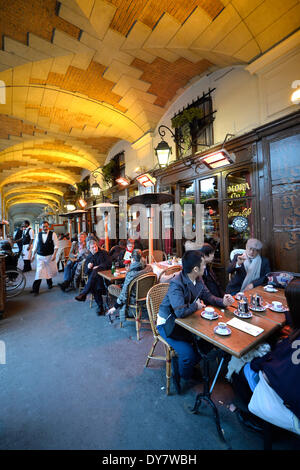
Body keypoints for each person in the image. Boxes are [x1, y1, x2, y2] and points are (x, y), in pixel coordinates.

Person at [156, 250, 235, 390]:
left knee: (210, 342)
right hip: (168, 325)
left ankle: (187, 366)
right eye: (203, 265)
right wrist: (196, 306)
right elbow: (180, 312)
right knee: (188, 354)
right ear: (195, 269)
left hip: (187, 321)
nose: (205, 267)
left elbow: (208, 296)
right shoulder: (176, 284)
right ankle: (184, 374)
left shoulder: (198, 278)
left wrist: (223, 301)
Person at [230, 279, 300, 432]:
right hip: (288, 382)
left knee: (239, 370)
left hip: (290, 406)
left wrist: (257, 363)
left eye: (289, 304)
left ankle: (260, 421)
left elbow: (277, 374)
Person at [106, 249, 153, 323]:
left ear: (133, 259)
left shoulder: (131, 274)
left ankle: (115, 310)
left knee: (111, 287)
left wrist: (115, 307)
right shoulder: (149, 268)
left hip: (133, 299)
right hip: (146, 296)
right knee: (122, 287)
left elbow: (124, 294)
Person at [75, 239, 112, 315]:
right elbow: (85, 272)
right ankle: (100, 306)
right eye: (92, 247)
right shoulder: (89, 257)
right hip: (96, 281)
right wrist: (88, 267)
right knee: (95, 283)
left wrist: (99, 267)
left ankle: (84, 294)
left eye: (95, 246)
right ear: (89, 249)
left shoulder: (104, 253)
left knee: (95, 271)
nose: (95, 248)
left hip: (105, 278)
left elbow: (109, 264)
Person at [31, 221, 58, 296]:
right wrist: (33, 255)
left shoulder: (53, 234)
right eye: (43, 226)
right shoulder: (38, 234)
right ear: (41, 227)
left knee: (48, 270)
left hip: (49, 256)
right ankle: (35, 290)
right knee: (39, 272)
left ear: (48, 226)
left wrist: (54, 255)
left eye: (46, 226)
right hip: (40, 256)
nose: (45, 228)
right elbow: (35, 246)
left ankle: (49, 284)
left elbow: (56, 246)